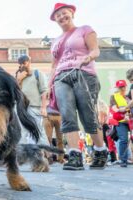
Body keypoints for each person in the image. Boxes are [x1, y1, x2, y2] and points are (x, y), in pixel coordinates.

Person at [49, 3, 107, 170]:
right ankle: (74, 155)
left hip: (84, 73)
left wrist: (88, 58)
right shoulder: (55, 41)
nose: (61, 16)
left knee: (87, 114)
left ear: (72, 13)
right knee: (67, 114)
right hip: (61, 77)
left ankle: (100, 151)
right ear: (55, 19)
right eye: (57, 15)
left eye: (64, 13)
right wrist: (49, 85)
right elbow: (54, 65)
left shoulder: (85, 29)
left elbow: (95, 50)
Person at [16, 55, 49, 147]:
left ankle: (47, 155)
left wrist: (44, 107)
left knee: (39, 132)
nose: (22, 65)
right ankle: (23, 155)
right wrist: (19, 79)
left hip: (35, 107)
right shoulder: (18, 76)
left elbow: (44, 91)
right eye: (20, 64)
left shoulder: (38, 73)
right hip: (21, 108)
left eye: (24, 63)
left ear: (29, 61)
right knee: (22, 132)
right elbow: (15, 92)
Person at [109, 80, 132, 167]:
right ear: (117, 88)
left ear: (126, 87)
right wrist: (122, 109)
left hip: (129, 121)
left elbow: (130, 110)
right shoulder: (113, 96)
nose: (122, 88)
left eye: (123, 86)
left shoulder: (128, 97)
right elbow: (114, 108)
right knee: (123, 140)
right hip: (120, 121)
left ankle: (127, 158)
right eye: (120, 87)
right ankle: (123, 160)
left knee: (129, 140)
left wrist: (128, 112)